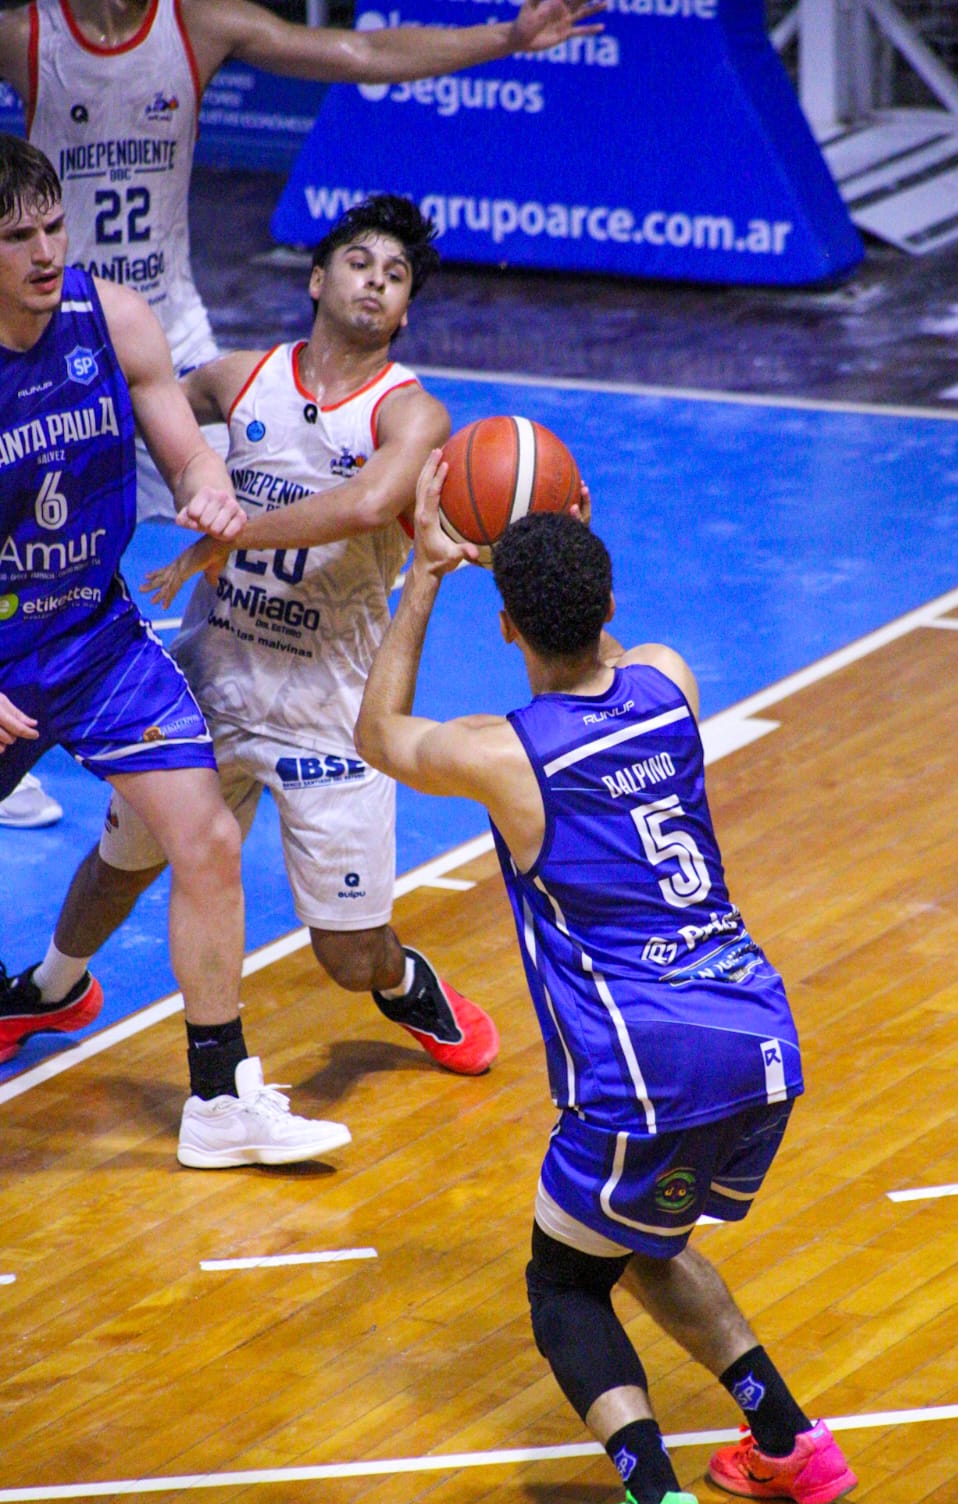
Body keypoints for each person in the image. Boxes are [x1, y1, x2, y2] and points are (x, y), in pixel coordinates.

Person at [354, 461, 858, 1504]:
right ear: (611, 604)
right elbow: (606, 648)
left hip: (646, 1065)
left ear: (506, 626)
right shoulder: (668, 680)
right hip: (757, 1034)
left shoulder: (506, 754)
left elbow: (378, 732)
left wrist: (426, 575)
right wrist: (562, 541)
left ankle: (650, 1499)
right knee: (640, 1243)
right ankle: (790, 1445)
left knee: (564, 1282)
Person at [0, 0, 600, 826]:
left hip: (157, 338)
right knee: (28, 542)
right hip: (32, 337)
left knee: (256, 541)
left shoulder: (196, 26)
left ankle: (215, 737)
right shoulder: (28, 35)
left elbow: (356, 52)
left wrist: (506, 38)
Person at [7, 194, 499, 1085]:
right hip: (211, 679)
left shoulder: (409, 415)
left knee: (349, 957)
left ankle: (404, 982)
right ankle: (52, 988)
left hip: (330, 710)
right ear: (315, 279)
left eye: (394, 277)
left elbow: (363, 504)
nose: (375, 283)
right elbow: (143, 395)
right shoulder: (239, 380)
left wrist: (222, 537)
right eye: (359, 263)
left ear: (403, 311)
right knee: (121, 864)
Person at [0, 133, 351, 1169]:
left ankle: (219, 1099)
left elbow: (186, 444)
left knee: (204, 836)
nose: (45, 252)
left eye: (53, 227)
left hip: (92, 638)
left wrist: (209, 487)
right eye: (16, 238)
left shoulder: (110, 318)